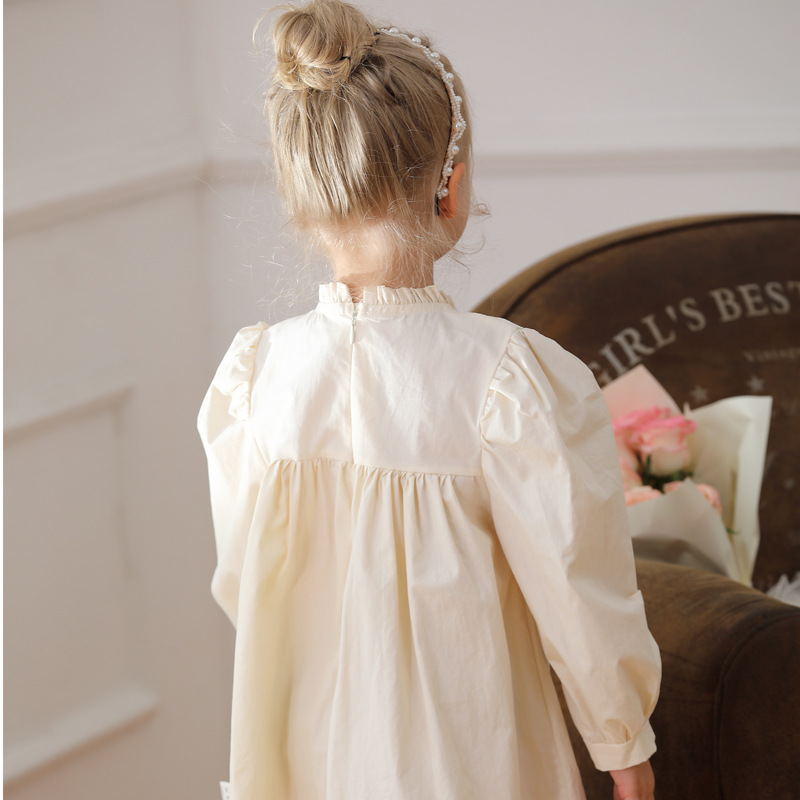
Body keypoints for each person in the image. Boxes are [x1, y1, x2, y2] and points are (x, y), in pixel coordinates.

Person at [198, 2, 661, 798]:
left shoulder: (253, 378)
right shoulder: (505, 380)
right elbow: (577, 588)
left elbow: (246, 582)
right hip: (468, 754)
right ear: (451, 187)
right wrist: (622, 743)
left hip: (303, 752)